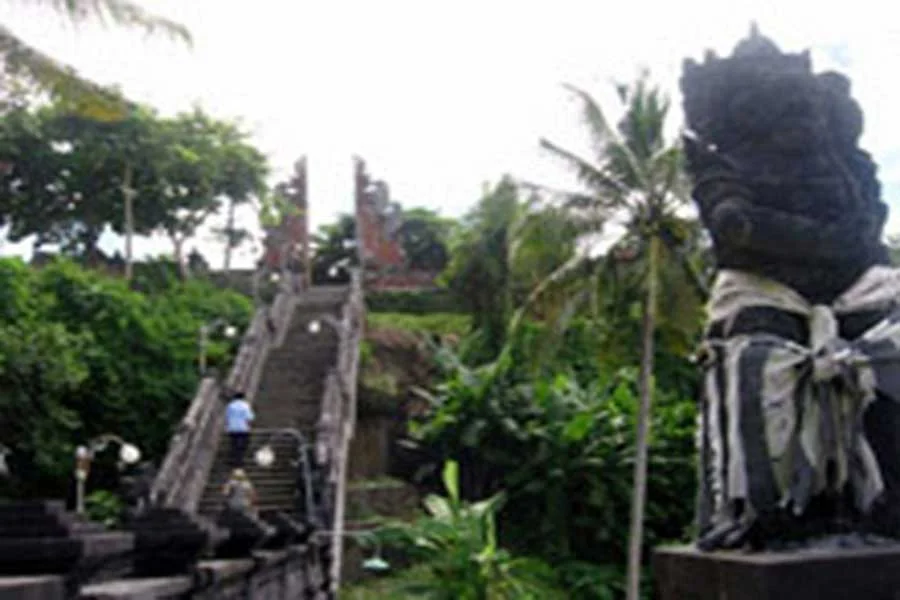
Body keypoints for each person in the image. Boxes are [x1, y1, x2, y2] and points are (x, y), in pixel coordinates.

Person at [225, 391, 254, 467]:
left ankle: (234, 460)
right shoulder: (245, 406)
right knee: (243, 444)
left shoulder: (230, 406)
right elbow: (249, 418)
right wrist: (249, 426)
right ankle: (240, 460)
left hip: (232, 428)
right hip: (243, 428)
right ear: (243, 398)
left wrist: (228, 426)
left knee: (234, 444)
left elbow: (227, 417)